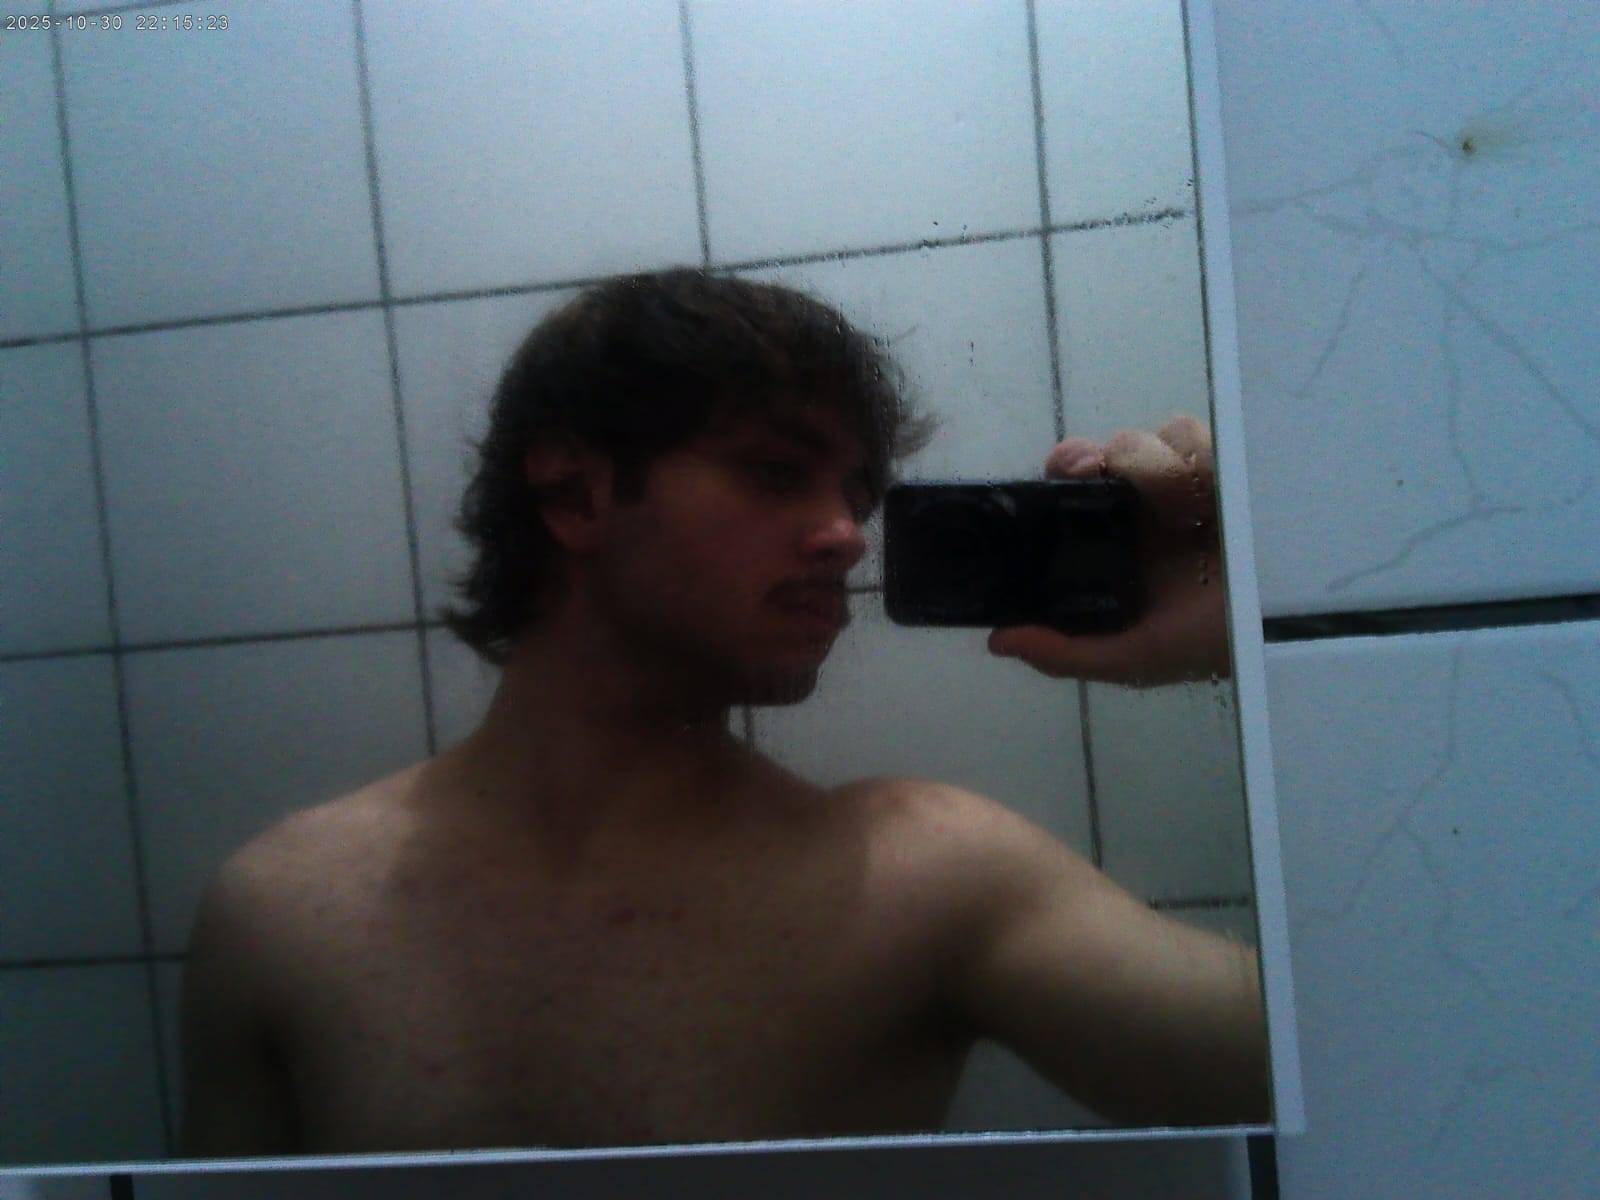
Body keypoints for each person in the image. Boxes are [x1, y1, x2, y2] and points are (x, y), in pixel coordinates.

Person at [178, 269, 1267, 1157]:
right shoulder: (283, 915)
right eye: (776, 472)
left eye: (857, 493)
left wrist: (1256, 633)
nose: (846, 534)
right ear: (573, 493)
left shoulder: (924, 877)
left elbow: (1331, 1074)